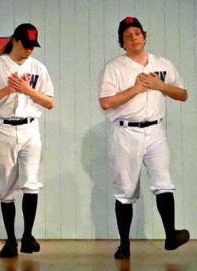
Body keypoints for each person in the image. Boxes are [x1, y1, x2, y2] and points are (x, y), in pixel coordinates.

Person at [98, 17, 189, 259]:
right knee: (126, 190)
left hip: (155, 130)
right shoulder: (115, 67)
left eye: (137, 33)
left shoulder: (162, 64)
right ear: (123, 42)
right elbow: (106, 102)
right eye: (128, 35)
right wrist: (135, 90)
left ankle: (170, 235)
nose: (134, 38)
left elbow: (182, 94)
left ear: (145, 37)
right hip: (126, 131)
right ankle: (124, 245)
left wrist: (160, 86)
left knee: (163, 182)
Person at [0, 23, 54, 258]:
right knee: (7, 185)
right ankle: (10, 240)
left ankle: (28, 236)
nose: (30, 50)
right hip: (4, 128)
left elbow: (50, 102)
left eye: (33, 46)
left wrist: (27, 90)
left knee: (31, 182)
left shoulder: (38, 67)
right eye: (26, 45)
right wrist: (8, 90)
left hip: (30, 128)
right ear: (15, 41)